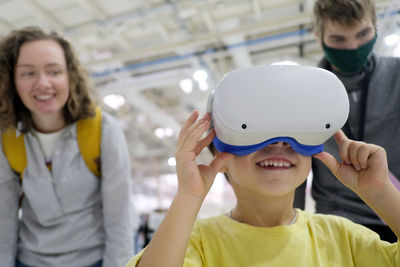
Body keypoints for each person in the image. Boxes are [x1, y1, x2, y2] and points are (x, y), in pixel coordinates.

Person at [125, 67, 400, 267]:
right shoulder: (195, 243)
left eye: (295, 131)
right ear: (219, 153)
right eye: (253, 131)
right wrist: (188, 196)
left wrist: (380, 191)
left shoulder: (343, 238)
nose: (279, 141)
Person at [0, 26, 136, 267]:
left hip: (93, 260)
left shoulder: (103, 130)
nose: (43, 83)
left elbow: (120, 218)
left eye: (54, 71)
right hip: (29, 260)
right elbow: (4, 218)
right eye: (28, 73)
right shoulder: (7, 138)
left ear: (70, 76)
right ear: (12, 80)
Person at [294, 0, 400, 243]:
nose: (353, 47)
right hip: (336, 226)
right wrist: (292, 230)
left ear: (375, 26)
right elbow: (295, 169)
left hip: (395, 214)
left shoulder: (397, 76)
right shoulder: (304, 93)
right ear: (318, 37)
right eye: (339, 40)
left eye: (363, 34)